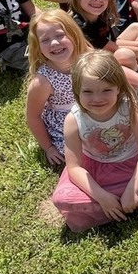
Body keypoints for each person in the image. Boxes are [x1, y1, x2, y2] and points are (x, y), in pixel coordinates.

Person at [52, 51, 138, 232]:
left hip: (134, 162)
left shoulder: (130, 108)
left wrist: (132, 189)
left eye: (106, 90)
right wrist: (102, 196)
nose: (97, 98)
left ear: (118, 88)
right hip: (98, 171)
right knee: (63, 199)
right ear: (77, 91)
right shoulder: (73, 120)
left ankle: (129, 200)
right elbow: (74, 168)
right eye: (88, 91)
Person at [25, 10, 91, 166]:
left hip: (94, 110)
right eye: (45, 40)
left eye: (60, 35)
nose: (54, 43)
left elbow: (115, 72)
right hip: (67, 128)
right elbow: (32, 117)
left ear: (74, 35)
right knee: (85, 155)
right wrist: (48, 148)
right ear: (38, 47)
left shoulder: (87, 57)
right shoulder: (42, 81)